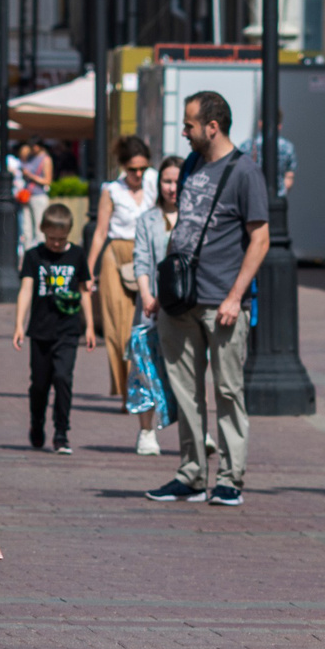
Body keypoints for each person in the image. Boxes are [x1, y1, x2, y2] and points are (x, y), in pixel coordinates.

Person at [146, 92, 269, 508]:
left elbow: (261, 239)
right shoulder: (194, 164)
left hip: (223, 301)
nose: (185, 132)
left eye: (190, 125)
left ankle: (231, 478)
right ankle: (192, 473)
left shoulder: (245, 172)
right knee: (185, 391)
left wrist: (236, 296)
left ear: (212, 127)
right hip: (181, 298)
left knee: (229, 392)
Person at [82, 135, 158, 455]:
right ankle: (128, 393)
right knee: (117, 329)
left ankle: (141, 389)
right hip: (116, 255)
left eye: (142, 168)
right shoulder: (111, 190)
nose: (138, 174)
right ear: (123, 166)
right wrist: (88, 269)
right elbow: (101, 230)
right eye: (132, 169)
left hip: (147, 255)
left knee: (141, 328)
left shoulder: (156, 182)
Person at [13, 201, 93, 453]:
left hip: (68, 330)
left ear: (68, 233)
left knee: (63, 378)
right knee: (39, 384)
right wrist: (19, 325)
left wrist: (89, 325)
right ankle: (37, 424)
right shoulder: (34, 255)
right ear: (43, 231)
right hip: (40, 330)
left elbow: (84, 291)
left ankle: (61, 434)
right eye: (51, 238)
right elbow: (26, 289)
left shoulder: (77, 255)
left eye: (61, 239)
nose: (56, 244)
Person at [130, 156, 185, 454]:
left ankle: (194, 432)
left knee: (188, 371)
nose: (172, 188)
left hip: (185, 305)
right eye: (167, 181)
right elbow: (140, 260)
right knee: (145, 367)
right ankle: (146, 432)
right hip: (150, 306)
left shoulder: (194, 217)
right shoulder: (147, 219)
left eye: (177, 181)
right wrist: (148, 296)